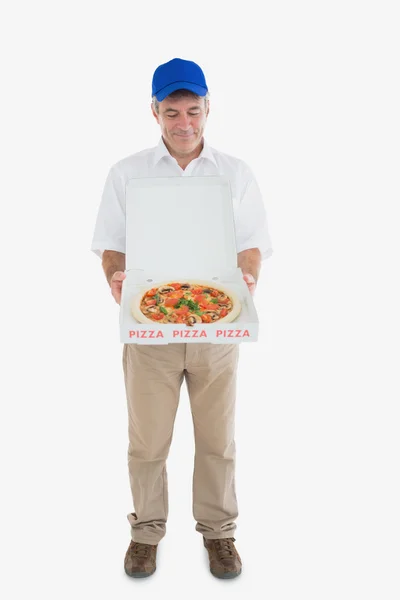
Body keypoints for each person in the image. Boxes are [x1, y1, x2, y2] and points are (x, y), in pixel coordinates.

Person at [91, 57, 273, 579]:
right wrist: (115, 278)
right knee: (147, 440)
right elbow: (110, 246)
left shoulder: (235, 172)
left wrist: (248, 279)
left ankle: (219, 534)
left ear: (209, 109)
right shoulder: (126, 172)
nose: (184, 122)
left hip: (217, 326)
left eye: (194, 110)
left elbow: (253, 244)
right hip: (150, 328)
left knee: (218, 438)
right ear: (154, 112)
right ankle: (146, 532)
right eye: (172, 111)